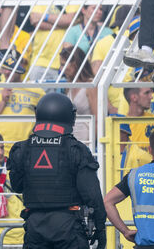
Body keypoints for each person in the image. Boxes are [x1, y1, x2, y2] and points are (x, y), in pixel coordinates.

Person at [8, 92, 106, 249]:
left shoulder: (21, 149)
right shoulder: (76, 150)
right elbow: (92, 195)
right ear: (70, 117)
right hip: (68, 227)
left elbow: (17, 186)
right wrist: (100, 228)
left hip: (35, 226)